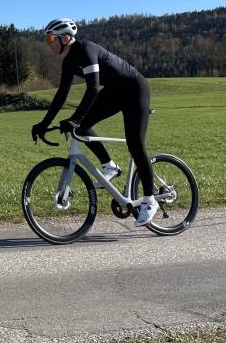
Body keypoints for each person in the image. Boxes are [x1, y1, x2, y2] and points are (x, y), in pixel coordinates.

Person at [30, 17, 158, 227]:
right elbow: (61, 95)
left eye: (51, 38)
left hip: (135, 90)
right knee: (80, 128)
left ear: (66, 38)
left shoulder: (86, 50)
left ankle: (150, 200)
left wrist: (75, 118)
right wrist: (43, 123)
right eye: (47, 39)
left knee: (135, 143)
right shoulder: (69, 61)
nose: (49, 43)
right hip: (115, 93)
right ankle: (110, 166)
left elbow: (92, 88)